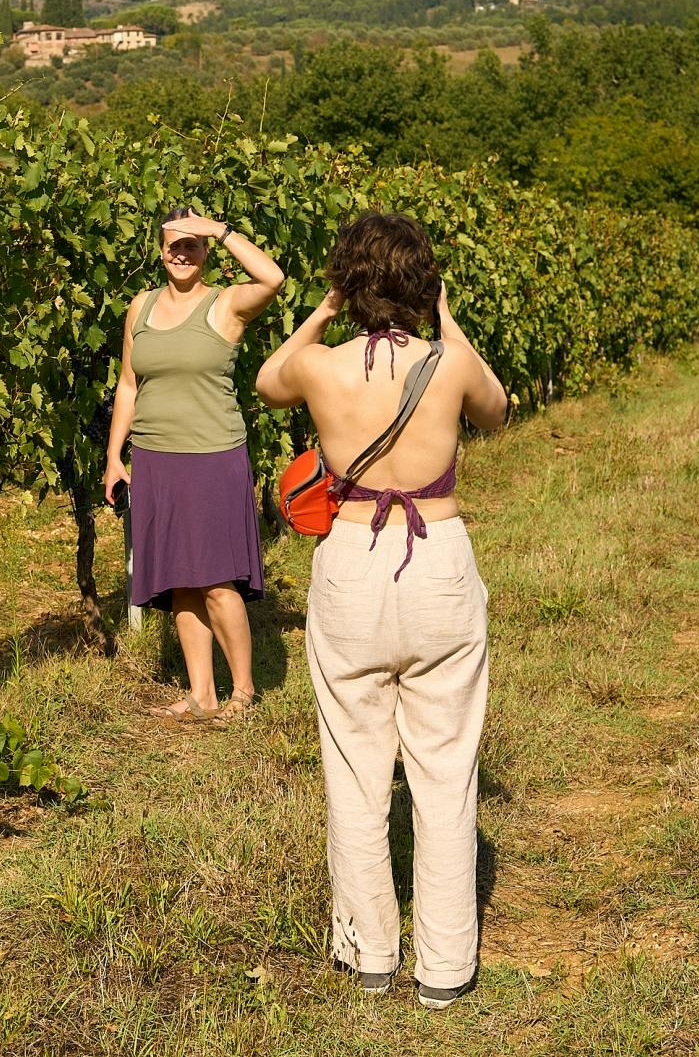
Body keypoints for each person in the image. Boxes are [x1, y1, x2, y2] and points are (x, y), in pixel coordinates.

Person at [254, 211, 509, 1008]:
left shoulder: (321, 369)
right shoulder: (450, 362)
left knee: (355, 767)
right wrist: (447, 319)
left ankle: (370, 954)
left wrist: (324, 310)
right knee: (444, 769)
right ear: (424, 282)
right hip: (436, 560)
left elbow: (267, 379)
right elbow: (497, 410)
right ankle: (445, 968)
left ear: (348, 280)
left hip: (352, 567)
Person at [104, 208, 284, 724]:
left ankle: (244, 692)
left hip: (212, 458)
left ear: (206, 252)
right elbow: (128, 386)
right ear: (159, 249)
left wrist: (221, 230)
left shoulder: (225, 303)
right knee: (181, 580)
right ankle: (202, 694)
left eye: (192, 245)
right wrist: (116, 456)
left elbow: (272, 277)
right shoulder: (139, 308)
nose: (181, 253)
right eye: (172, 245)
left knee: (217, 581)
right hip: (156, 460)